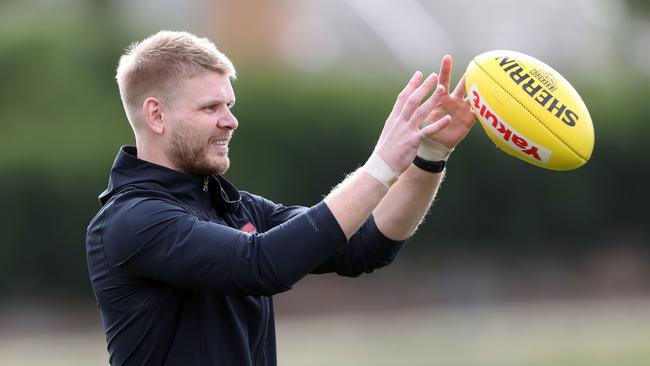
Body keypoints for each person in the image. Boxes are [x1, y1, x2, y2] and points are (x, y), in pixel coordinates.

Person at [86, 30, 476, 366]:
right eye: (210, 107)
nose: (230, 120)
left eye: (229, 106)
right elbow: (261, 265)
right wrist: (382, 165)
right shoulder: (132, 219)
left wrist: (430, 155)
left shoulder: (234, 207)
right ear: (156, 115)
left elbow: (366, 245)